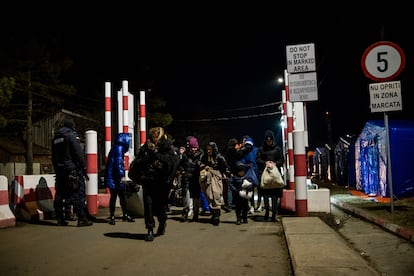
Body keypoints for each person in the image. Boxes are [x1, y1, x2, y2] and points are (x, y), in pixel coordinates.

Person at [129, 127, 179, 241]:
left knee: (159, 207)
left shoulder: (167, 146)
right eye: (153, 136)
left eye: (156, 136)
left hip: (162, 183)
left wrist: (159, 158)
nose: (154, 138)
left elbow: (173, 162)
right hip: (148, 181)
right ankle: (150, 229)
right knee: (148, 205)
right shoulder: (145, 147)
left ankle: (162, 222)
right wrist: (146, 160)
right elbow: (138, 161)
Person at [51, 117, 93, 227]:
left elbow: (53, 156)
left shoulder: (56, 137)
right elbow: (77, 151)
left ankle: (60, 219)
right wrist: (83, 166)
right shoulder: (70, 135)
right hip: (70, 169)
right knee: (75, 193)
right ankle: (82, 219)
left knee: (59, 194)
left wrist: (56, 168)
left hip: (60, 170)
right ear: (71, 126)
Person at [105, 132, 135, 225]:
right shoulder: (119, 148)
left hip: (111, 176)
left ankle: (113, 216)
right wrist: (122, 175)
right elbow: (118, 163)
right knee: (120, 196)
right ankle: (124, 214)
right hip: (116, 177)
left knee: (114, 196)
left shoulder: (115, 147)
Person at [256, 129, 284, 222]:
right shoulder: (261, 149)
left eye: (270, 140)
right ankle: (267, 212)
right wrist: (265, 163)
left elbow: (281, 159)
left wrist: (275, 164)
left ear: (272, 140)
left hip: (275, 175)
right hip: (265, 175)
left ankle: (273, 214)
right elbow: (258, 159)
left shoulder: (277, 149)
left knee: (275, 196)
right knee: (266, 195)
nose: (268, 141)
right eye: (267, 140)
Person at [200, 141, 228, 225]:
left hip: (216, 177)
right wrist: (204, 167)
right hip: (206, 177)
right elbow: (200, 164)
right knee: (208, 196)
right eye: (207, 149)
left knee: (216, 194)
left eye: (210, 149)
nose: (208, 151)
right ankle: (213, 213)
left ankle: (216, 215)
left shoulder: (219, 157)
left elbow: (224, 167)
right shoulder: (204, 157)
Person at [179, 136, 203, 222]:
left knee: (196, 197)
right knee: (186, 196)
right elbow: (180, 165)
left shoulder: (201, 155)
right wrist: (182, 171)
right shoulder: (185, 155)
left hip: (196, 178)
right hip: (186, 178)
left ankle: (196, 213)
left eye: (195, 147)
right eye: (192, 147)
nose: (194, 149)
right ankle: (185, 212)